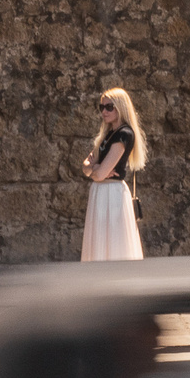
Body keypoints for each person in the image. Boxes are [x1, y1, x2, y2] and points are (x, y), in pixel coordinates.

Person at [79, 86, 147, 262]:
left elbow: (98, 172)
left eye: (110, 107)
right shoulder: (108, 134)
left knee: (114, 242)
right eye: (102, 107)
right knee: (99, 241)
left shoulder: (124, 134)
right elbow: (87, 167)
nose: (104, 111)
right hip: (100, 192)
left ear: (120, 107)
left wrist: (94, 170)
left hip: (112, 193)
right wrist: (94, 171)